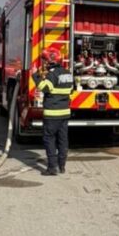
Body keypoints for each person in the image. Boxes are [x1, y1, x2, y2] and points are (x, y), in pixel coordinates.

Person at [34, 47, 74, 176]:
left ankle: (52, 168)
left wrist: (35, 75)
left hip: (52, 113)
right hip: (65, 113)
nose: (45, 63)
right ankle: (62, 166)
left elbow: (44, 88)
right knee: (63, 139)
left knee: (49, 139)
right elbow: (71, 92)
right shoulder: (68, 73)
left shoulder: (52, 74)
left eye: (45, 60)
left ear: (51, 61)